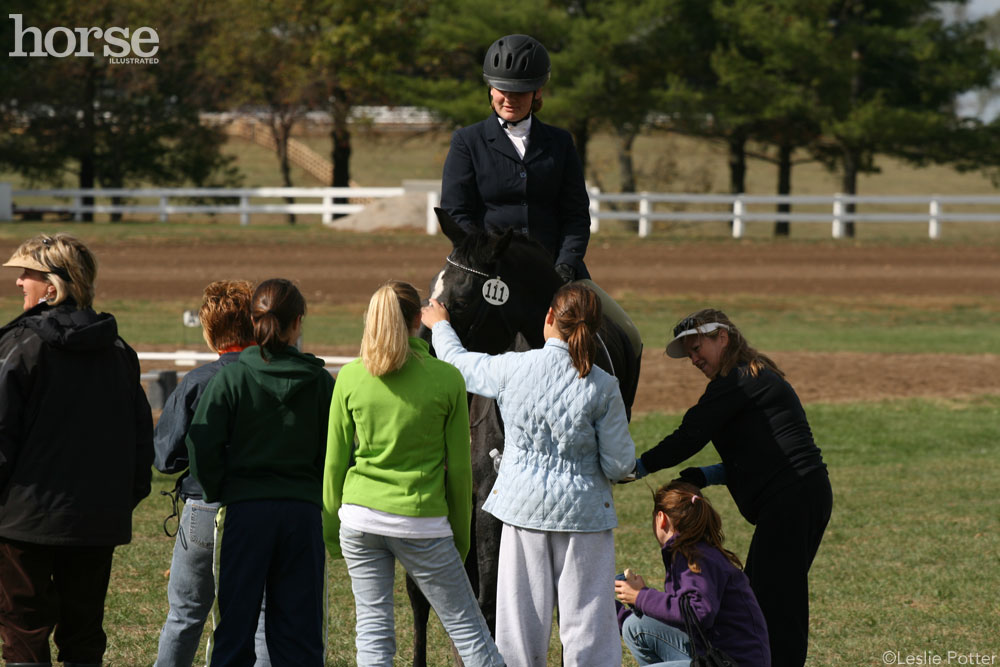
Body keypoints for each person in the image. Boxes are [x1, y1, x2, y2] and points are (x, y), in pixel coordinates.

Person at [422, 282, 636, 667]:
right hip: (585, 517)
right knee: (589, 630)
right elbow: (620, 466)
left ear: (550, 317)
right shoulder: (604, 386)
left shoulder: (512, 367)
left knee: (519, 629)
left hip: (523, 513)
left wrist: (440, 324)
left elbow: (459, 364)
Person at [634, 309, 833, 667]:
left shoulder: (739, 381)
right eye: (690, 354)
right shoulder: (749, 378)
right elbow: (757, 457)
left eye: (697, 348)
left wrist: (638, 467)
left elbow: (690, 434)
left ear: (721, 338)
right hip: (800, 495)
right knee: (764, 595)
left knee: (776, 602)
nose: (694, 359)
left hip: (793, 498)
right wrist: (707, 476)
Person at [323, 281, 504, 667]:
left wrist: (330, 529)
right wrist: (459, 536)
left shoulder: (350, 377)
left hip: (358, 519)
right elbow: (458, 470)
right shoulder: (446, 378)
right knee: (472, 637)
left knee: (372, 639)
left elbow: (335, 463)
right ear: (417, 320)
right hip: (422, 524)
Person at [0, 233, 153, 667]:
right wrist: (118, 502)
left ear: (53, 286)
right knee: (84, 635)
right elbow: (142, 440)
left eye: (27, 274)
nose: (18, 283)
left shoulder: (20, 346)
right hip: (95, 522)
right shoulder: (119, 351)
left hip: (22, 524)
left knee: (24, 632)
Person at [186, 279, 334, 667]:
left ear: (254, 322)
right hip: (301, 516)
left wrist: (222, 487)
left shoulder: (231, 378)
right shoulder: (320, 382)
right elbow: (334, 449)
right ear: (297, 322)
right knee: (300, 637)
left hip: (246, 514)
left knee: (235, 630)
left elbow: (201, 445)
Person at [153, 280, 270, 667]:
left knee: (185, 615)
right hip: (263, 507)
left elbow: (166, 458)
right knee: (262, 620)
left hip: (204, 507)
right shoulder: (276, 376)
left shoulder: (197, 382)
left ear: (209, 331)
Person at [440, 33, 592, 282]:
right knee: (438, 313)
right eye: (502, 90)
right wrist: (485, 254)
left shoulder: (561, 142)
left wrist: (565, 264)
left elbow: (576, 215)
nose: (509, 99)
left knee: (607, 319)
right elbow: (456, 212)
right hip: (487, 268)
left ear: (537, 91)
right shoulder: (466, 141)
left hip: (552, 267)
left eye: (519, 92)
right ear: (490, 89)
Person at [614, 481, 770, 666]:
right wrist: (625, 606)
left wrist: (641, 597)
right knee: (635, 625)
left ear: (661, 518)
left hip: (733, 662)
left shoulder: (695, 557)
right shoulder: (692, 551)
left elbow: (698, 613)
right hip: (717, 655)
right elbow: (685, 613)